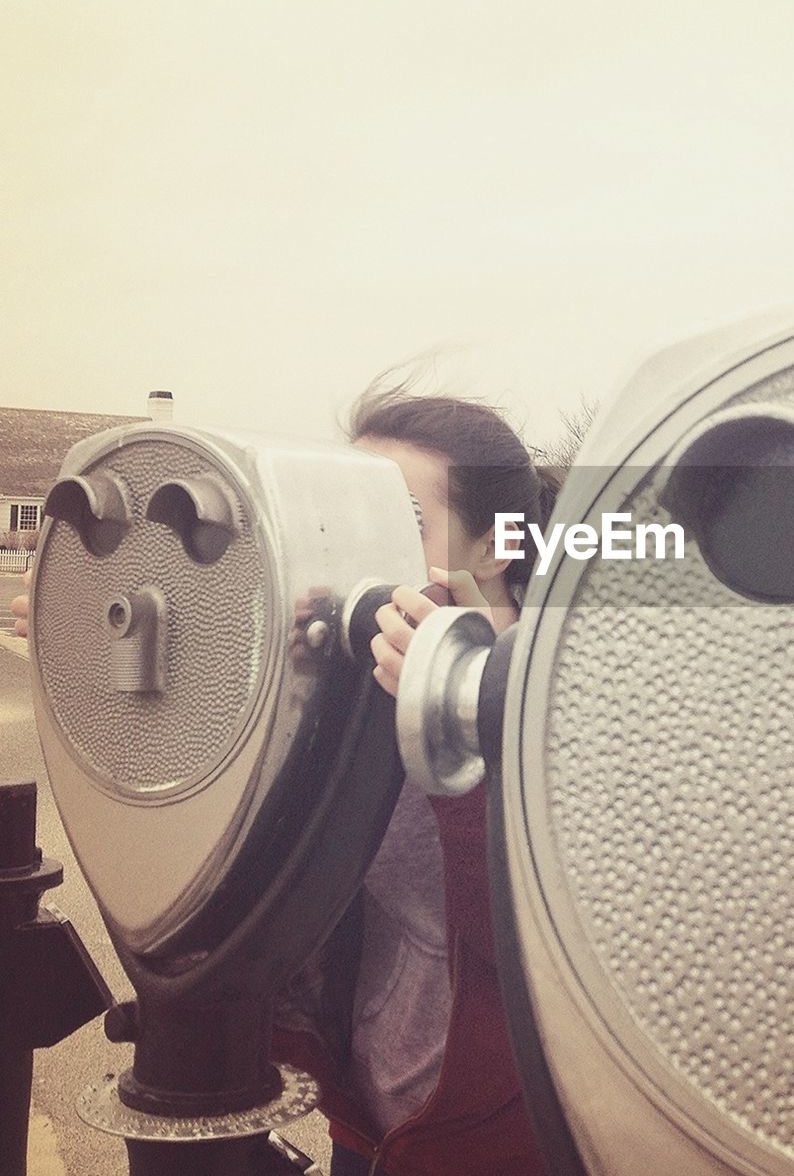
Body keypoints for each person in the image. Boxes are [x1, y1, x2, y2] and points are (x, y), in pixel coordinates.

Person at [10, 391, 562, 1176]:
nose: (362, 549)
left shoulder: (565, 699)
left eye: (399, 519)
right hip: (368, 1115)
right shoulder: (354, 679)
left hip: (499, 1134)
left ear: (495, 549)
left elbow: (547, 946)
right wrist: (90, 655)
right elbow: (232, 805)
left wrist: (477, 713)